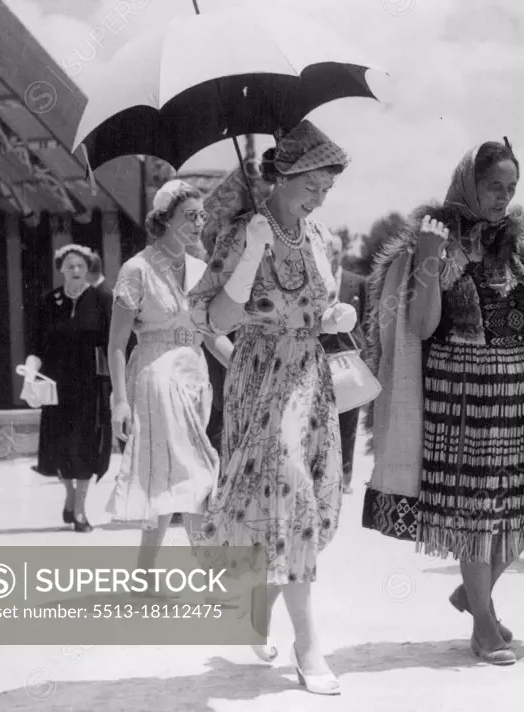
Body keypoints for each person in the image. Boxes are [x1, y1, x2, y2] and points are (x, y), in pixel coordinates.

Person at [362, 140, 524, 665]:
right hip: (463, 398)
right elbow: (420, 326)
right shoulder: (436, 237)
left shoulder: (523, 240)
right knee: (476, 518)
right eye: (493, 187)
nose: (502, 198)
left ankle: (472, 594)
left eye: (510, 189)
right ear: (469, 183)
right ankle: (483, 626)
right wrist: (430, 259)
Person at [188, 119, 355, 695]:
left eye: (327, 188)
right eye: (312, 184)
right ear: (281, 175)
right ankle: (309, 646)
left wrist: (336, 318)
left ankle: (256, 604)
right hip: (258, 375)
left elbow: (324, 305)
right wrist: (252, 247)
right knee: (288, 495)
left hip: (311, 375)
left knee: (296, 503)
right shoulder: (241, 234)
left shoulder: (324, 238)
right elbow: (216, 320)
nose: (319, 197)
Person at [105, 180, 227, 582]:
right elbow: (118, 344)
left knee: (166, 479)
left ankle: (142, 578)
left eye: (202, 216)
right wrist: (119, 401)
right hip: (155, 377)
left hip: (194, 378)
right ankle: (215, 581)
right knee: (193, 475)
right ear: (164, 220)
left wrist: (248, 367)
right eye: (189, 216)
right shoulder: (136, 269)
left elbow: (212, 336)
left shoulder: (200, 270)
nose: (198, 223)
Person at [21, 244, 114, 532]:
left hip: (90, 387)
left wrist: (118, 388)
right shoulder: (48, 302)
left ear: (88, 268)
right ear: (60, 268)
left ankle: (81, 511)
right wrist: (29, 378)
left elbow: (113, 347)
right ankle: (70, 495)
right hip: (55, 387)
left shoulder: (101, 300)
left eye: (80, 266)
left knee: (87, 447)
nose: (75, 271)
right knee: (59, 447)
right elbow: (35, 348)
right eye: (70, 266)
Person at [318, 231, 367, 494]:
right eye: (328, 251)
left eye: (336, 252)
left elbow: (368, 321)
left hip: (350, 361)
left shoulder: (357, 282)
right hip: (319, 360)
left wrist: (366, 355)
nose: (332, 257)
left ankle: (345, 477)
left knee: (348, 420)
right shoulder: (314, 282)